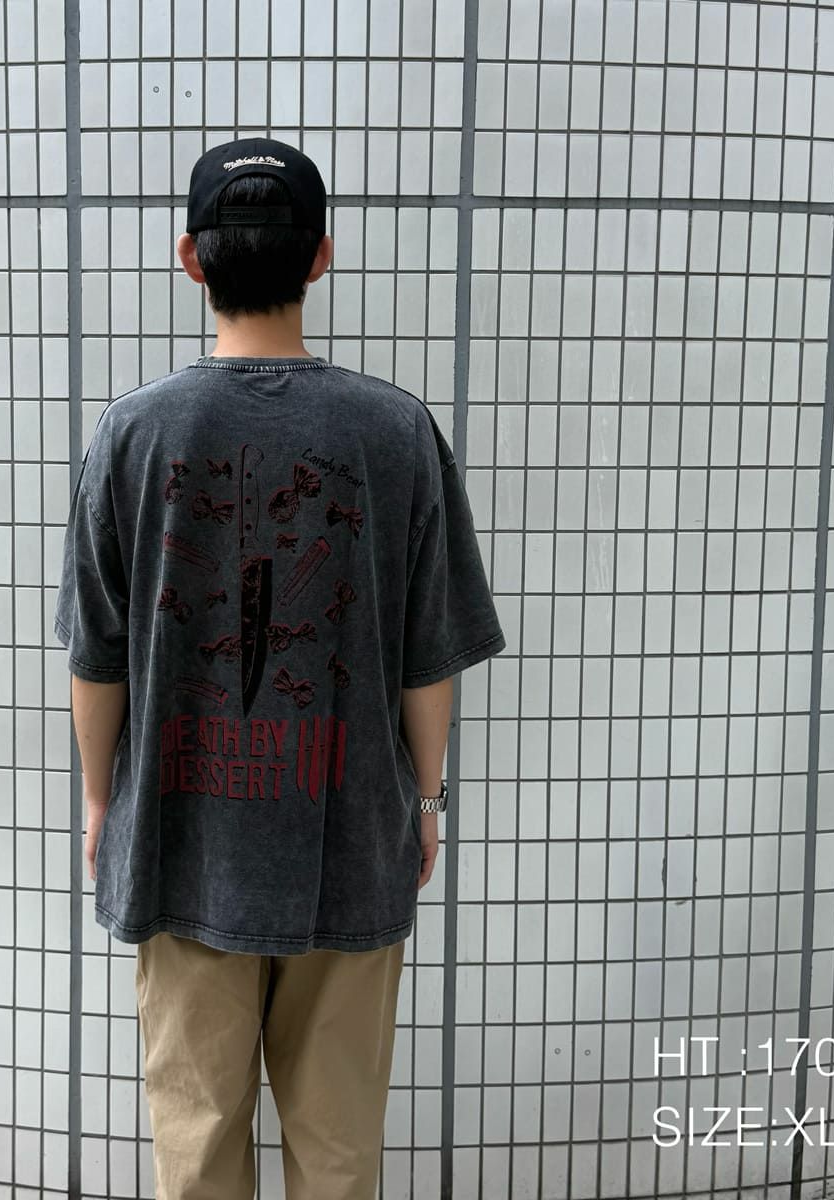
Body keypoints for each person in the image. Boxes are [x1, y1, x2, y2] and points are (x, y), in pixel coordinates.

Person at [54, 135, 506, 1200]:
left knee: (198, 1150)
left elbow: (98, 656)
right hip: (351, 837)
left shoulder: (132, 433)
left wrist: (100, 802)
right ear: (320, 258)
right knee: (338, 1151)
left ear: (190, 258)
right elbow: (428, 658)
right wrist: (425, 800)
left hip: (179, 845)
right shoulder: (396, 431)